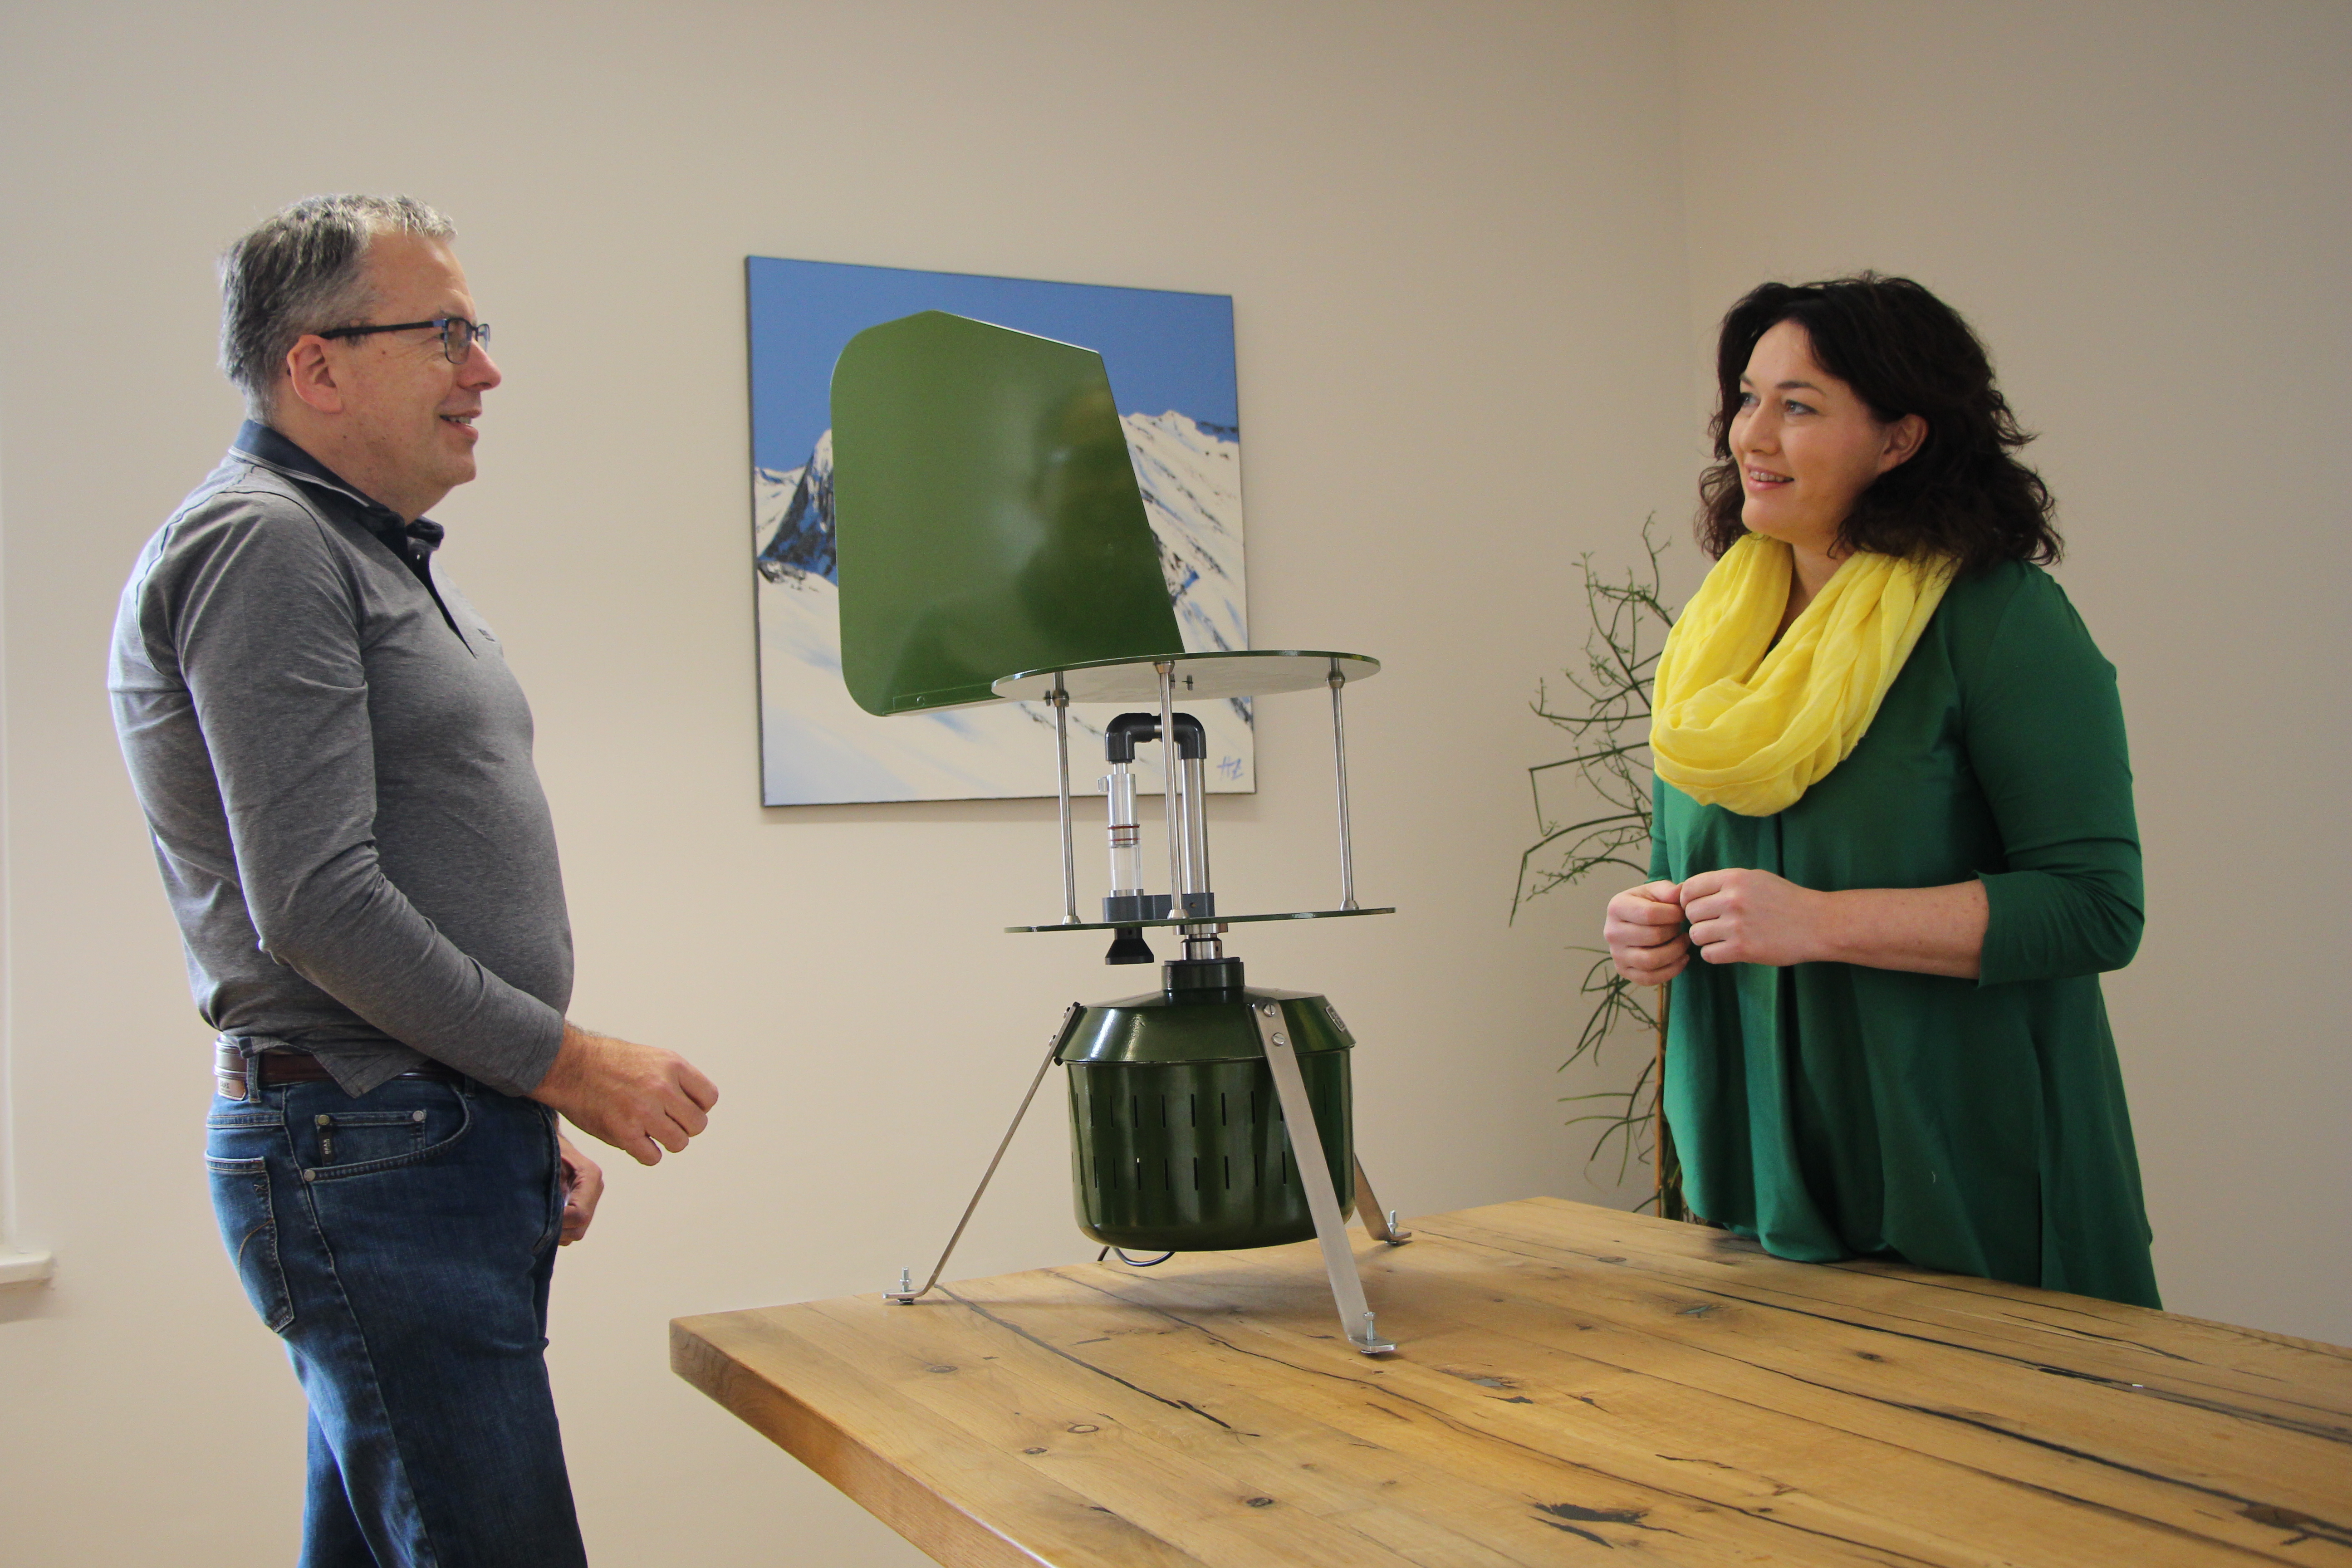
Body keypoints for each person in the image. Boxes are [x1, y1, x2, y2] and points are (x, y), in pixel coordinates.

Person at [108, 194, 720, 1565]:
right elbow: (318, 904)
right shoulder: (263, 542)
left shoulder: (355, 549)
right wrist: (563, 1063)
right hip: (366, 1153)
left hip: (406, 1135)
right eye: (444, 332)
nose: (484, 369)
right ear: (315, 365)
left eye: (477, 331)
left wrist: (500, 1100)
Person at [1603, 274, 2159, 1308]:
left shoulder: (1998, 621)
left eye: (1799, 406)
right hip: (1752, 1188)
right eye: (1748, 399)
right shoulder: (1717, 642)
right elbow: (1686, 873)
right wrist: (1651, 921)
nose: (1751, 436)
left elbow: (2096, 910)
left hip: (1962, 1182)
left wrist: (1820, 923)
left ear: (1899, 440)